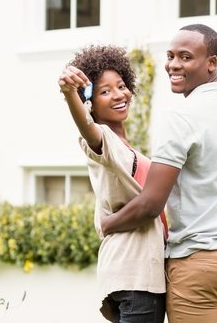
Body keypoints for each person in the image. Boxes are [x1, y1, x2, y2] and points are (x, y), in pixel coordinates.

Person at [101, 24, 217, 323]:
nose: (174, 65)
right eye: (170, 56)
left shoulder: (181, 116)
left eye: (185, 57)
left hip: (198, 263)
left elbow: (151, 203)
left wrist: (108, 224)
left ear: (212, 63)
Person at [57, 44, 166, 323]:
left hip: (127, 273)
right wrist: (70, 93)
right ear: (90, 102)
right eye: (105, 91)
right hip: (136, 276)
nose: (118, 95)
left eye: (121, 86)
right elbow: (88, 131)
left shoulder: (127, 151)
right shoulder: (105, 140)